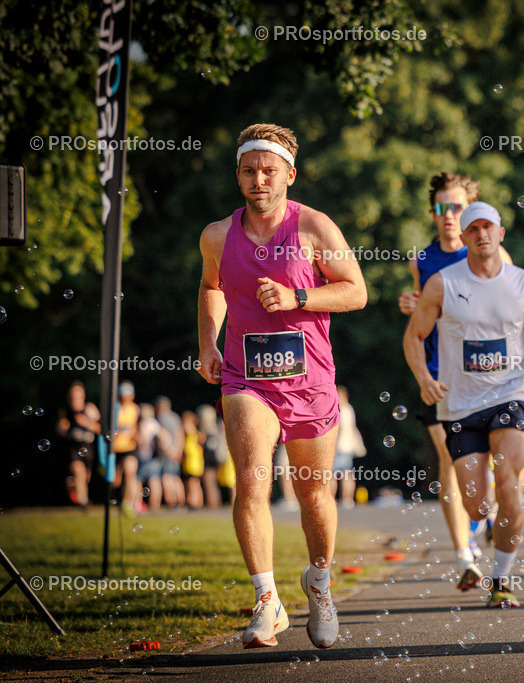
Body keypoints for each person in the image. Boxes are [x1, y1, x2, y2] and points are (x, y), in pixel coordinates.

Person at [197, 123, 367, 649]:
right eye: (249, 171)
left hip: (310, 379)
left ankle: (318, 582)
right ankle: (266, 601)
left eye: (268, 170)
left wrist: (298, 298)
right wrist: (208, 342)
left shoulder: (314, 228)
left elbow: (356, 291)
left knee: (313, 492)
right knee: (250, 477)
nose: (258, 180)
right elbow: (211, 286)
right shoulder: (218, 235)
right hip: (246, 376)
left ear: (289, 175)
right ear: (239, 176)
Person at [404, 201, 524, 608]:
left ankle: (502, 580)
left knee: (509, 480)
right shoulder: (442, 282)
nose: (480, 234)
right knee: (476, 501)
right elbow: (414, 335)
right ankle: (482, 527)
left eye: (487, 227)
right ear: (465, 235)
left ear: (501, 233)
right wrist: (424, 379)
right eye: (473, 229)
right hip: (459, 405)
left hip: (509, 394)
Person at [397, 171, 510, 590]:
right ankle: (464, 553)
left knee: (490, 460)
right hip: (438, 372)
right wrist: (413, 305)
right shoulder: (422, 261)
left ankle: (487, 513)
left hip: (484, 373)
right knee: (449, 458)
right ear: (433, 213)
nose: (449, 215)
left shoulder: (489, 253)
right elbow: (422, 315)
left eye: (457, 207)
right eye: (442, 207)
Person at [55, 380, 101, 507]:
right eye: (73, 393)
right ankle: (83, 501)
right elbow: (61, 430)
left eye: (78, 393)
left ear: (83, 395)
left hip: (87, 446)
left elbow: (100, 429)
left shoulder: (89, 408)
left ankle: (71, 484)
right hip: (73, 446)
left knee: (86, 477)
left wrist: (86, 422)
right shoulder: (65, 410)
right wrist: (62, 427)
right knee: (78, 471)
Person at [332, 385, 366, 508]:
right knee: (346, 473)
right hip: (347, 447)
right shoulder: (349, 409)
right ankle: (347, 500)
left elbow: (339, 429)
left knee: (333, 474)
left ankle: (339, 499)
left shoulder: (342, 409)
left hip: (339, 447)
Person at [111, 381, 141, 514]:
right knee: (115, 480)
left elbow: (135, 427)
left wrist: (136, 436)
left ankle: (127, 503)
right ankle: (114, 501)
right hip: (115, 448)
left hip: (130, 447)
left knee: (130, 473)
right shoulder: (114, 409)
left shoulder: (135, 409)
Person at [154, 396, 186, 509]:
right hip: (176, 451)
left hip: (167, 452)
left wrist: (170, 450)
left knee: (167, 477)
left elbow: (163, 436)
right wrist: (178, 450)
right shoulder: (175, 417)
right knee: (176, 477)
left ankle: (172, 503)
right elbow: (180, 434)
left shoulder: (160, 418)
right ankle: (181, 503)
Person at [197, 404, 226, 509]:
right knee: (213, 483)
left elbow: (210, 449)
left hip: (210, 461)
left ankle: (212, 506)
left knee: (209, 483)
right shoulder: (216, 429)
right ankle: (215, 504)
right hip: (215, 460)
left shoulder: (209, 432)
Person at [182, 410, 206, 508]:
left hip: (194, 463)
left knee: (193, 483)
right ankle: (194, 502)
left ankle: (195, 503)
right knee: (192, 483)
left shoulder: (194, 434)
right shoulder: (191, 435)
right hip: (190, 463)